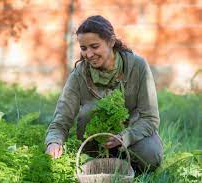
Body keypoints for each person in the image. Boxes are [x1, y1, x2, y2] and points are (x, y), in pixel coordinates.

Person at [45, 15, 163, 173]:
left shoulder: (137, 66)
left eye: (94, 46)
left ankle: (128, 169)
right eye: (83, 48)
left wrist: (124, 137)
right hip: (94, 142)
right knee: (90, 110)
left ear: (111, 42)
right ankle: (101, 165)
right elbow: (61, 118)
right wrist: (54, 142)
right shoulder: (79, 74)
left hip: (132, 137)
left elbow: (150, 118)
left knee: (151, 155)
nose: (88, 54)